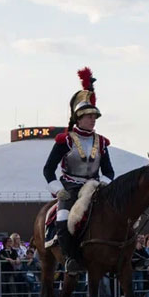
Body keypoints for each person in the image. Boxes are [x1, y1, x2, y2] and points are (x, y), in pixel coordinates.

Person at [42, 67, 115, 274]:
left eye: (94, 116)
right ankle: (70, 258)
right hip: (71, 187)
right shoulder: (64, 140)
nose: (93, 119)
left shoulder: (101, 142)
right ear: (79, 117)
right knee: (63, 218)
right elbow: (48, 169)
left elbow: (109, 171)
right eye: (89, 116)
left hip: (95, 187)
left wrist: (105, 184)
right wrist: (58, 190)